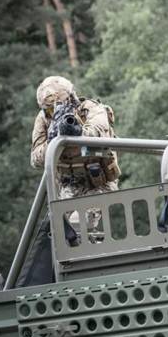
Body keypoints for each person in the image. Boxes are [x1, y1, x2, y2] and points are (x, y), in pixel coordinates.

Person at [31, 76, 120, 233]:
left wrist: (77, 131)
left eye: (57, 108)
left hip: (98, 183)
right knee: (53, 233)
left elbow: (98, 134)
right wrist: (52, 140)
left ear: (71, 99)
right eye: (49, 110)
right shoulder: (44, 119)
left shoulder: (91, 109)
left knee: (78, 225)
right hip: (68, 187)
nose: (53, 114)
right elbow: (35, 159)